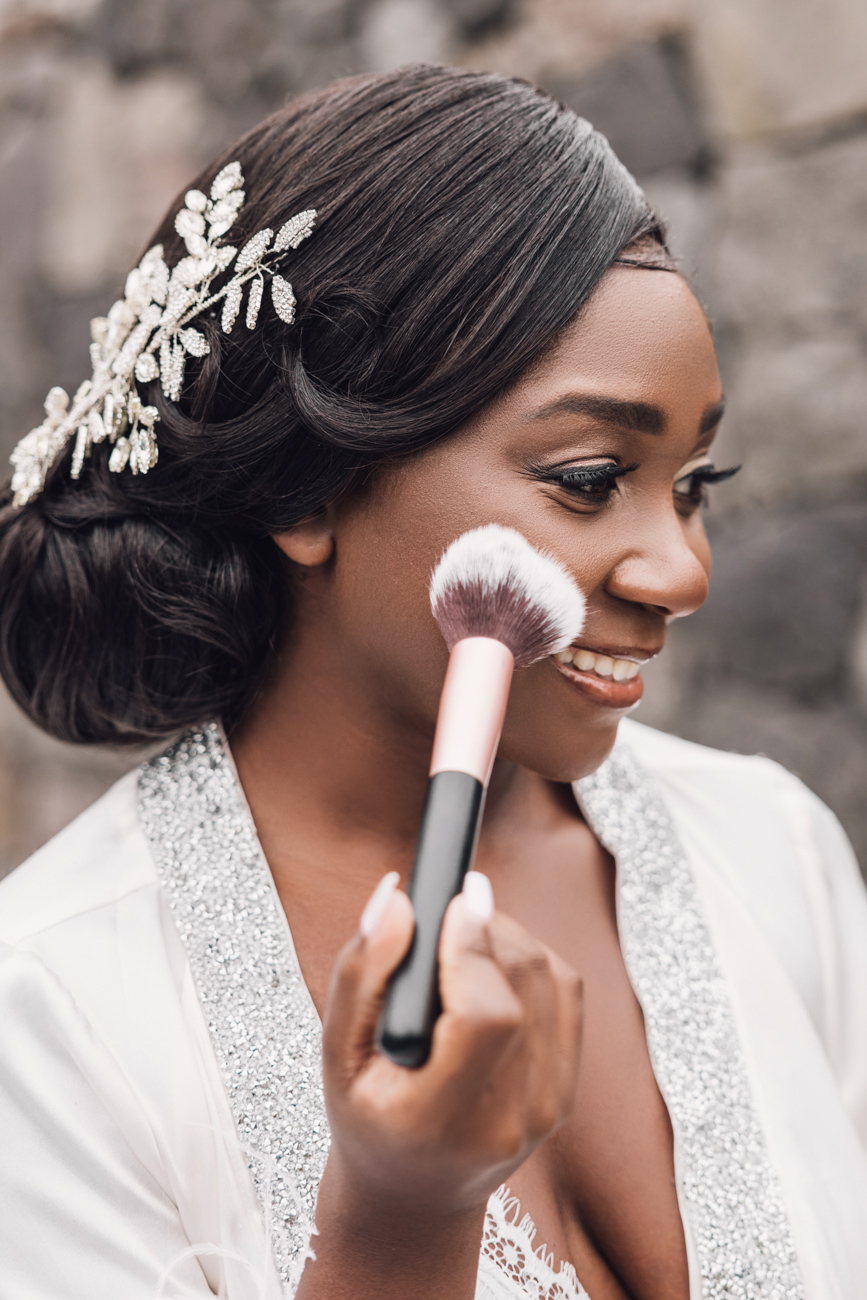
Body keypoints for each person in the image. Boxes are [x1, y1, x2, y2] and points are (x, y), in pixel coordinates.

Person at [0, 63, 865, 1300]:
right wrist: (397, 1222)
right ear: (306, 487)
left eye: (693, 489)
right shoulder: (54, 1015)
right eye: (585, 477)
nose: (683, 573)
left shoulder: (771, 848)